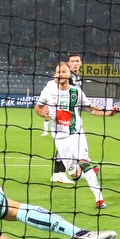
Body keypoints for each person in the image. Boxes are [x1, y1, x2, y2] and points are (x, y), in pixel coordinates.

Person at [34, 62, 120, 209]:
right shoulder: (48, 91)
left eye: (63, 71)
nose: (60, 73)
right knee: (74, 174)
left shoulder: (76, 92)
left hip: (76, 133)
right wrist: (42, 113)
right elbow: (38, 107)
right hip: (59, 138)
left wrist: (109, 113)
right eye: (58, 71)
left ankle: (99, 199)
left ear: (69, 74)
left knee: (83, 161)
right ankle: (90, 173)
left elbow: (91, 109)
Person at [50, 53, 86, 184]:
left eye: (77, 61)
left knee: (66, 147)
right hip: (62, 114)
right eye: (72, 61)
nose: (75, 63)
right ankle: (59, 174)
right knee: (65, 146)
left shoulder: (77, 78)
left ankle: (58, 174)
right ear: (68, 63)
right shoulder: (66, 76)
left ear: (81, 63)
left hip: (70, 114)